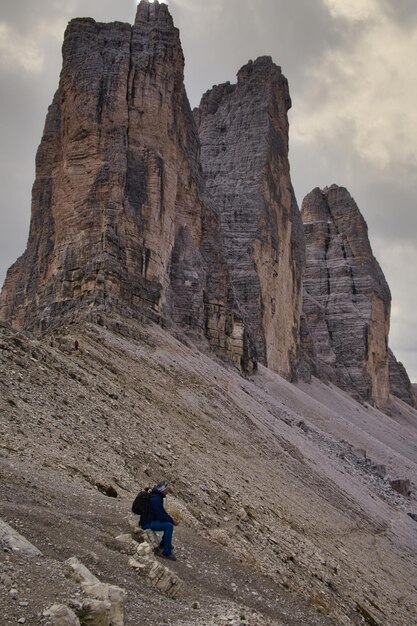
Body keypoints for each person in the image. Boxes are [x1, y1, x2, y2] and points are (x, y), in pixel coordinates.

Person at [140, 479, 179, 561]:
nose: (168, 491)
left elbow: (161, 512)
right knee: (169, 526)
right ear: (163, 489)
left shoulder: (157, 496)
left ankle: (164, 544)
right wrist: (172, 521)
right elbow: (160, 515)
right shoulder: (156, 499)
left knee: (168, 523)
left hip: (150, 520)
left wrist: (171, 519)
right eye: (167, 489)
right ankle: (166, 552)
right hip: (147, 523)